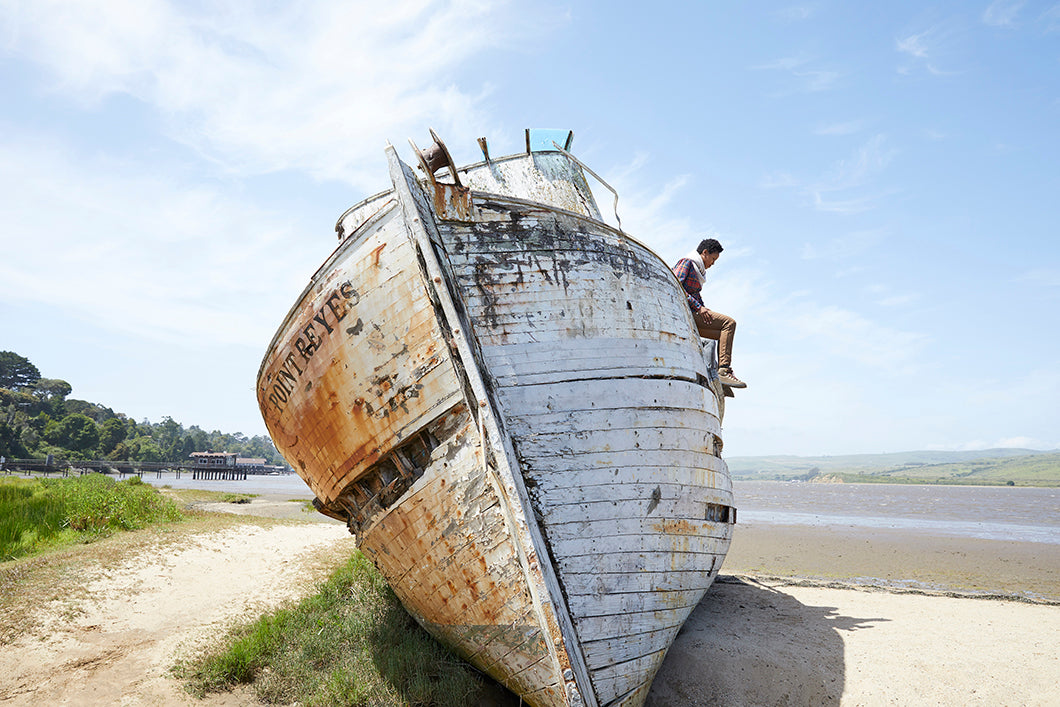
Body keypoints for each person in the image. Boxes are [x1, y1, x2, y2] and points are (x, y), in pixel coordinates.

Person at [673, 238, 747, 388]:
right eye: (713, 259)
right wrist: (698, 308)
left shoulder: (698, 270)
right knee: (729, 323)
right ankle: (723, 371)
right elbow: (675, 286)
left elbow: (696, 296)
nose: (713, 264)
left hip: (693, 313)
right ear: (705, 253)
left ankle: (717, 378)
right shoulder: (687, 263)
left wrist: (704, 309)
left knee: (723, 334)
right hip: (684, 314)